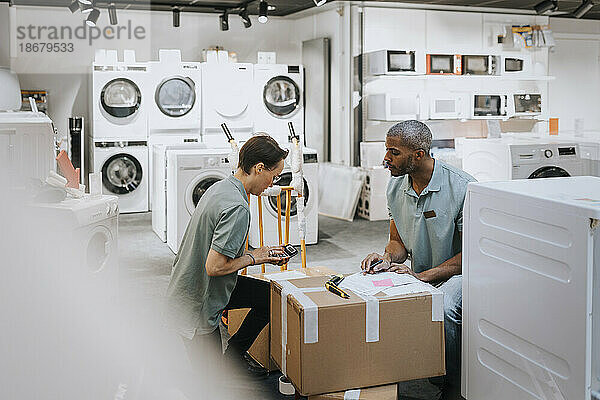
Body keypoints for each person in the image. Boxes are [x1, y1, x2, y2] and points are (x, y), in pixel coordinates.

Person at [360, 120, 475, 400]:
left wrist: (422, 277)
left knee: (445, 306)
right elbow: (398, 241)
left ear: (419, 154)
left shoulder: (463, 187)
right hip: (423, 272)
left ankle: (454, 385)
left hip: (462, 274)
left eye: (394, 152)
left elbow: (473, 253)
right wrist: (386, 258)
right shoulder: (395, 186)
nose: (386, 159)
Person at [166, 134, 290, 379]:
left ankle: (231, 361)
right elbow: (215, 266)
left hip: (188, 288)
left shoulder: (222, 187)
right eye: (273, 177)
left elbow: (216, 250)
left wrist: (261, 254)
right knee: (211, 386)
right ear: (259, 168)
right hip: (198, 304)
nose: (272, 184)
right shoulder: (238, 207)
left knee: (271, 299)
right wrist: (255, 259)